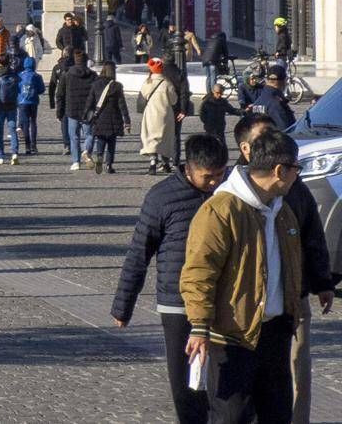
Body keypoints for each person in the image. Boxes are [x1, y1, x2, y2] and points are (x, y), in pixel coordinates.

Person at [181, 130, 309, 423]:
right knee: (231, 417)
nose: (297, 176)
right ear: (280, 170)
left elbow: (292, 264)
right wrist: (199, 325)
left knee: (277, 415)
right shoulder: (221, 209)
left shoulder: (282, 210)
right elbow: (199, 271)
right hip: (233, 335)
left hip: (275, 332)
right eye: (296, 168)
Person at [111, 134, 230, 424]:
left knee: (226, 379)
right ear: (189, 168)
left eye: (220, 174)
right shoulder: (161, 197)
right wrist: (123, 305)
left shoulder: (230, 192)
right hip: (177, 303)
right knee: (186, 380)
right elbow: (140, 251)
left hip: (225, 299)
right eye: (208, 176)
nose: (215, 182)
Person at [233, 114, 338, 424]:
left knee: (296, 366)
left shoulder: (293, 184)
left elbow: (312, 232)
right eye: (263, 138)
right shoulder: (231, 192)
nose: (273, 143)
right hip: (245, 305)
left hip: (293, 295)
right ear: (246, 148)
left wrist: (322, 281)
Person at [83, 62, 130, 174]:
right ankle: (109, 165)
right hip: (114, 117)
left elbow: (90, 102)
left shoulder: (96, 84)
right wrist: (127, 120)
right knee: (111, 143)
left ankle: (100, 156)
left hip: (100, 117)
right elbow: (122, 105)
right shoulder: (117, 86)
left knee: (101, 139)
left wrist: (85, 115)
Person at [54, 50, 97, 171]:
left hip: (71, 109)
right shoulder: (93, 75)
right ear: (86, 61)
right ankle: (86, 150)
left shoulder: (67, 75)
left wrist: (59, 112)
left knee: (74, 137)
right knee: (89, 134)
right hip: (88, 110)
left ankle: (76, 161)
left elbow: (60, 95)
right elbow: (97, 93)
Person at [140, 57, 180, 175]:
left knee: (151, 137)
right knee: (166, 138)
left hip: (151, 113)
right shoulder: (167, 83)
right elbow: (174, 100)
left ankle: (152, 162)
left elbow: (144, 94)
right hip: (165, 113)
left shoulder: (147, 82)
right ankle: (166, 163)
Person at [0, 55, 20, 165]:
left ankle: (0, 155)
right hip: (12, 105)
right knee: (12, 130)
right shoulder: (13, 73)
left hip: (0, 105)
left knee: (0, 131)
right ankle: (14, 153)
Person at [15, 57, 45, 155]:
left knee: (25, 124)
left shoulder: (19, 75)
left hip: (22, 102)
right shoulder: (37, 76)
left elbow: (17, 88)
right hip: (33, 102)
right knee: (33, 122)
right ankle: (33, 146)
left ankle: (27, 146)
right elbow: (41, 89)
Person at [198, 84, 242, 150]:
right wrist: (208, 122)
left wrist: (243, 111)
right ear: (213, 91)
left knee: (222, 149)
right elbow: (202, 114)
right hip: (210, 129)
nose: (219, 95)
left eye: (221, 93)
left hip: (220, 129)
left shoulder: (223, 102)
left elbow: (232, 110)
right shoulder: (206, 102)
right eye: (217, 93)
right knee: (210, 148)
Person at [252, 66, 296, 131]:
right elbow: (287, 130)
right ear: (283, 81)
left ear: (267, 80)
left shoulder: (257, 102)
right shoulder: (276, 103)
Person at [201, 31, 230, 96]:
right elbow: (225, 52)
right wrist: (225, 63)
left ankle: (209, 94)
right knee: (213, 78)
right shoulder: (221, 40)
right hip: (213, 61)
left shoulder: (211, 39)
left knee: (208, 78)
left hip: (205, 61)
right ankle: (214, 94)